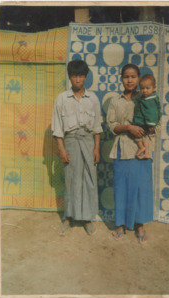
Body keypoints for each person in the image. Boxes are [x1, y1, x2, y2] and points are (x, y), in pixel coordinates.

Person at [107, 64, 158, 244]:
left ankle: (139, 224)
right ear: (121, 78)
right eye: (126, 77)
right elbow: (112, 125)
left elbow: (155, 120)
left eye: (133, 77)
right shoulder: (115, 101)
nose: (130, 80)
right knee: (121, 188)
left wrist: (144, 132)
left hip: (141, 149)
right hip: (122, 148)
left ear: (138, 78)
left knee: (140, 189)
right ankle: (120, 225)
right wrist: (128, 127)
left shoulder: (146, 98)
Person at [51, 60, 103, 236]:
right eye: (74, 75)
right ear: (70, 77)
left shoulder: (93, 99)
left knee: (88, 180)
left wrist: (96, 149)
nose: (78, 79)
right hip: (71, 142)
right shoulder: (62, 99)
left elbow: (97, 127)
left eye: (81, 75)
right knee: (71, 180)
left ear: (86, 77)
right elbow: (57, 128)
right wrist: (62, 149)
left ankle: (88, 218)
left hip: (88, 142)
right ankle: (69, 217)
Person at [133, 74, 161, 159]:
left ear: (154, 88)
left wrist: (150, 125)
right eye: (142, 88)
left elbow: (151, 113)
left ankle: (142, 148)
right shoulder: (146, 98)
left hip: (146, 124)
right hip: (144, 123)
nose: (144, 91)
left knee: (138, 136)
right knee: (145, 138)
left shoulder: (149, 100)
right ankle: (147, 152)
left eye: (147, 88)